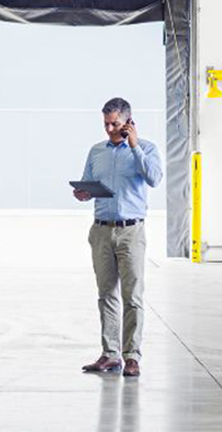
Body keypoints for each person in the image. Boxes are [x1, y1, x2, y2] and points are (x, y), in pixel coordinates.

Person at [73, 97, 163, 377]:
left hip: (130, 231)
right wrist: (83, 193)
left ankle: (132, 356)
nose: (110, 129)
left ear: (128, 121)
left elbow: (154, 178)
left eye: (115, 123)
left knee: (132, 296)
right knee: (106, 294)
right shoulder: (96, 151)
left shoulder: (146, 148)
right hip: (101, 230)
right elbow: (89, 181)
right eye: (106, 124)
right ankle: (110, 354)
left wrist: (134, 145)